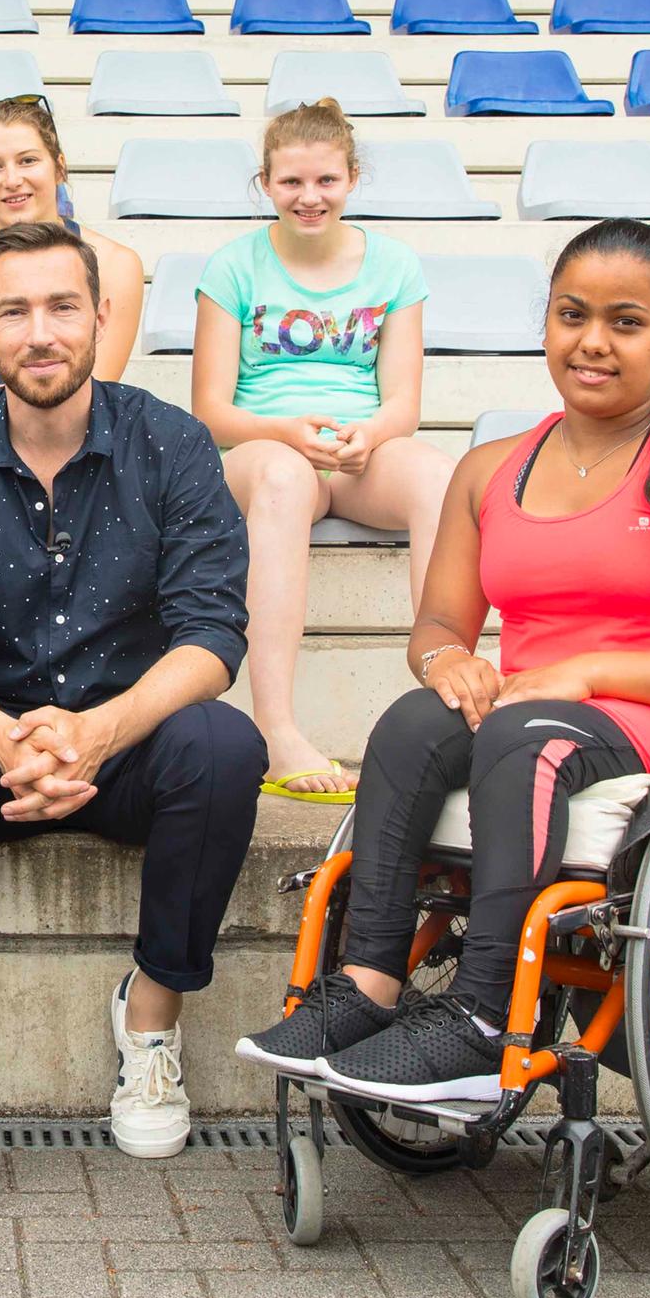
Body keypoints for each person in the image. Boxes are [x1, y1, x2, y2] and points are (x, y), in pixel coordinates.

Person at [237, 218, 650, 1104]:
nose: (593, 342)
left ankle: (478, 1014)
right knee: (413, 725)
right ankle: (365, 988)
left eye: (626, 322)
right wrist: (447, 663)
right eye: (572, 315)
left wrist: (591, 673)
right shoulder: (492, 469)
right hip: (537, 704)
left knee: (521, 740)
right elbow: (436, 624)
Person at [0, 221, 265, 1238]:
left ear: (101, 317)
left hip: (123, 754)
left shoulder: (170, 441)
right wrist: (4, 737)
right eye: (16, 311)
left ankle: (151, 1023)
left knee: (225, 745)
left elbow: (213, 632)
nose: (41, 332)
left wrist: (99, 732)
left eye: (61, 306)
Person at [190, 99, 456, 804]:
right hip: (264, 449)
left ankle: (448, 691)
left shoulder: (395, 266)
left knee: (438, 475)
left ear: (352, 178)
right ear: (266, 183)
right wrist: (284, 433)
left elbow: (402, 398)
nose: (309, 198)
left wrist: (372, 434)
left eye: (326, 182)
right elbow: (211, 410)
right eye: (292, 184)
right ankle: (277, 729)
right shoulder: (232, 267)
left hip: (357, 449)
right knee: (280, 480)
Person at [0, 94, 144, 414]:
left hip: (76, 433)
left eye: (27, 161)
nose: (12, 180)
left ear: (59, 168)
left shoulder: (116, 264)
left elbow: (92, 394)